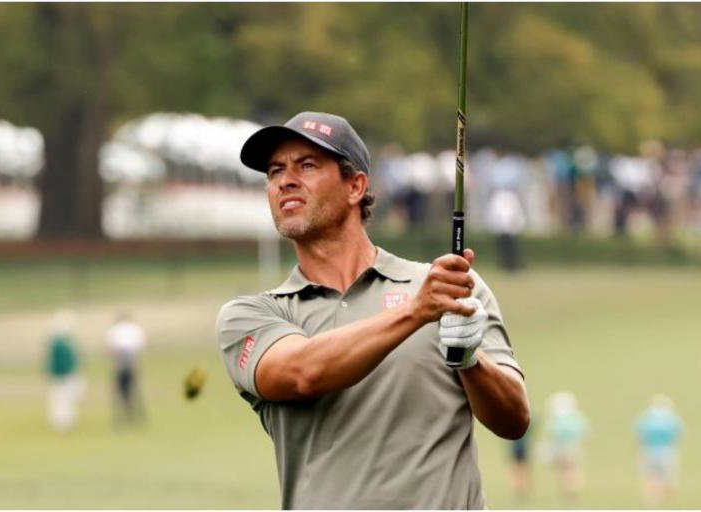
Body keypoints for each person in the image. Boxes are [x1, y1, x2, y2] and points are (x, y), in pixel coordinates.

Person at [217, 111, 529, 509]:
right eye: (275, 171)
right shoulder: (254, 315)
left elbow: (514, 420)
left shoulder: (448, 287)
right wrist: (417, 313)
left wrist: (471, 360)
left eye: (307, 165)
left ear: (355, 186)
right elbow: (301, 373)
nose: (285, 180)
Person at [635, 394, 683, 504]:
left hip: (650, 450)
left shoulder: (646, 417)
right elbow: (677, 435)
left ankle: (653, 498)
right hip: (666, 451)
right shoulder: (671, 418)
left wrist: (639, 448)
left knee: (651, 475)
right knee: (666, 475)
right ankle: (665, 498)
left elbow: (641, 436)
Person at [540, 391, 588, 499]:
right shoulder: (575, 418)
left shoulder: (556, 420)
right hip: (571, 447)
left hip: (562, 447)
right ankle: (572, 488)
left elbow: (551, 433)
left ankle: (567, 488)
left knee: (564, 469)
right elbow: (583, 431)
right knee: (572, 468)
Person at [45, 309, 84, 433]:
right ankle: (62, 422)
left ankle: (66, 420)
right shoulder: (59, 344)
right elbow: (59, 361)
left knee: (66, 399)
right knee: (61, 399)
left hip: (66, 374)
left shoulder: (66, 343)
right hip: (62, 375)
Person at [106, 311, 146, 426]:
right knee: (133, 389)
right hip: (132, 360)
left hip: (120, 360)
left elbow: (111, 347)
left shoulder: (115, 330)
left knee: (120, 390)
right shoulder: (134, 329)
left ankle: (121, 418)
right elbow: (139, 346)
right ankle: (136, 416)